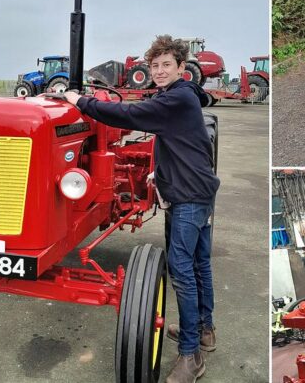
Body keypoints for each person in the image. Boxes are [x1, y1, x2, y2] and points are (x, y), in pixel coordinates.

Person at [63, 35, 219, 383]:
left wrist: (81, 101)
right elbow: (174, 140)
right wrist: (159, 169)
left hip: (189, 196)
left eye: (167, 65)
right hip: (193, 188)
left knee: (181, 269)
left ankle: (191, 356)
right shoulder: (176, 97)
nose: (160, 71)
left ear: (182, 68)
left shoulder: (176, 98)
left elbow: (129, 114)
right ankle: (205, 331)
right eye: (155, 66)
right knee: (198, 263)